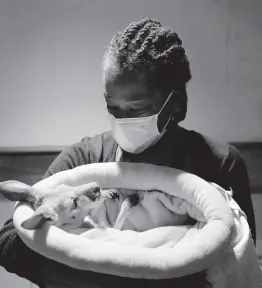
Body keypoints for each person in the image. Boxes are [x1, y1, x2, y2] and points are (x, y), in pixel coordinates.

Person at [0, 17, 256, 287]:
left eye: (137, 110)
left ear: (175, 101)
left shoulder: (218, 162)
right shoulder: (86, 158)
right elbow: (8, 239)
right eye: (113, 108)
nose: (123, 120)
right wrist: (110, 275)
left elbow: (239, 251)